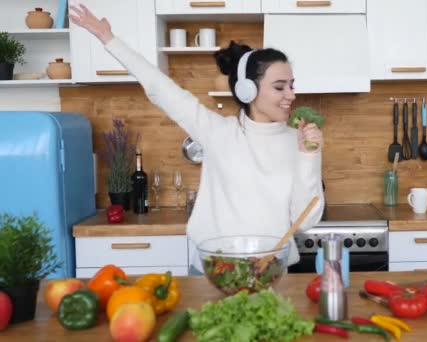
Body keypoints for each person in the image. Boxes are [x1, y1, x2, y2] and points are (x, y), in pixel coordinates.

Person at [69, 4, 325, 273]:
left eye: (292, 85)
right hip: (213, 271)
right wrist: (109, 39)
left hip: (271, 271)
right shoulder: (217, 131)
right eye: (279, 87)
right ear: (247, 90)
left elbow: (305, 221)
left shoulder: (297, 141)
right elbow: (161, 88)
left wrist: (310, 156)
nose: (291, 95)